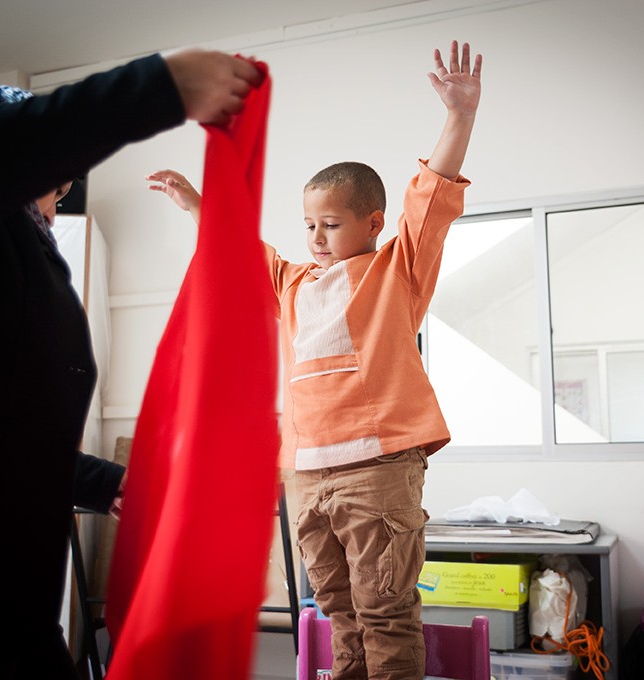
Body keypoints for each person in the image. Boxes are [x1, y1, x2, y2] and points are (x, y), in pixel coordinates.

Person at [0, 50, 262, 678]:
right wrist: (156, 88)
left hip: (0, 596)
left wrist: (109, 484)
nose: (54, 212)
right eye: (53, 187)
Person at [146, 40, 481, 680]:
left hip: (377, 468)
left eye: (330, 224)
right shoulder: (293, 282)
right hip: (306, 474)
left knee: (384, 611)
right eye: (308, 225)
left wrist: (459, 115)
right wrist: (195, 202)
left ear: (371, 223)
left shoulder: (394, 272)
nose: (316, 238)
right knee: (337, 609)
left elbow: (429, 202)